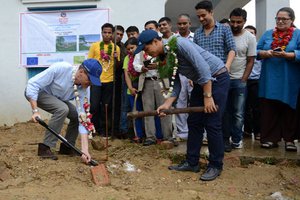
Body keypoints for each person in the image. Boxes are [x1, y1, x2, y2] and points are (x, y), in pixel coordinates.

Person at [135, 29, 230, 181]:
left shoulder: (180, 43)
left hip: (216, 78)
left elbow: (204, 68)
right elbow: (176, 82)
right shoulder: (163, 57)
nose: (147, 53)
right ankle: (192, 162)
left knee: (212, 123)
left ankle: (215, 165)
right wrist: (167, 103)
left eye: (147, 49)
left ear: (155, 41)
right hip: (202, 82)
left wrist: (208, 96)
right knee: (194, 122)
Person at [25, 59, 102, 164]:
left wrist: (85, 150)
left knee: (75, 115)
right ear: (81, 72)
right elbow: (32, 84)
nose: (90, 84)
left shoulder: (84, 89)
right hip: (37, 93)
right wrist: (35, 111)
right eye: (90, 80)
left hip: (57, 98)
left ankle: (67, 147)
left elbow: (82, 117)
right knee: (62, 109)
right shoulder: (61, 68)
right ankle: (45, 147)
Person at [257, 7, 300, 151]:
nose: (280, 21)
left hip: (289, 79)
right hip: (269, 79)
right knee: (269, 108)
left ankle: (290, 140)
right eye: (278, 19)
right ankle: (270, 138)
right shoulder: (268, 34)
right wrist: (265, 52)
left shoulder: (298, 34)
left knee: (289, 109)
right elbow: (255, 51)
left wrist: (290, 55)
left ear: (291, 20)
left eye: (284, 19)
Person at [222, 8, 256, 152]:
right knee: (224, 111)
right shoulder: (224, 34)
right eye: (232, 21)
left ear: (244, 22)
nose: (235, 25)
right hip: (223, 79)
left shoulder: (250, 37)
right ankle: (225, 140)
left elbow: (250, 60)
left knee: (238, 112)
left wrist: (244, 79)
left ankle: (237, 139)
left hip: (239, 80)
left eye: (239, 22)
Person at [133, 21, 172, 146]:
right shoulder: (141, 49)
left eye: (150, 28)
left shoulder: (166, 48)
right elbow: (135, 65)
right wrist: (142, 68)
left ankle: (168, 137)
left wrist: (158, 65)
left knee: (165, 108)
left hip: (161, 80)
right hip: (147, 81)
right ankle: (150, 137)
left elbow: (170, 63)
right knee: (148, 110)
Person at [88, 23, 120, 137]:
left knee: (106, 107)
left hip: (110, 81)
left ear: (112, 34)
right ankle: (93, 129)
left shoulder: (116, 48)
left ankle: (104, 130)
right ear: (101, 33)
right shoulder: (95, 46)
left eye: (109, 33)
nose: (107, 35)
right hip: (96, 81)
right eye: (105, 32)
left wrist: (116, 58)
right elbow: (89, 63)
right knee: (95, 106)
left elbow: (118, 67)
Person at [175, 13, 194, 140]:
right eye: (180, 24)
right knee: (180, 103)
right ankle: (182, 133)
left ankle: (197, 131)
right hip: (179, 74)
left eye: (184, 23)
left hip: (194, 75)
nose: (182, 26)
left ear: (189, 24)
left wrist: (194, 76)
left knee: (194, 102)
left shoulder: (195, 37)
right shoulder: (174, 39)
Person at [123, 37, 144, 142]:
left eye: (132, 48)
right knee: (136, 114)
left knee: (146, 112)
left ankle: (150, 135)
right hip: (131, 90)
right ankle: (138, 135)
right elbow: (126, 75)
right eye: (128, 49)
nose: (131, 50)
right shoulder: (127, 58)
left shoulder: (142, 56)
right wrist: (130, 88)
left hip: (143, 88)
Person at [243, 25, 262, 141]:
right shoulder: (242, 47)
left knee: (256, 108)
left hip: (256, 80)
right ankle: (247, 130)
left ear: (255, 35)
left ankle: (258, 131)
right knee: (244, 107)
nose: (250, 35)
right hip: (243, 80)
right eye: (248, 32)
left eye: (252, 33)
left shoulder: (260, 49)